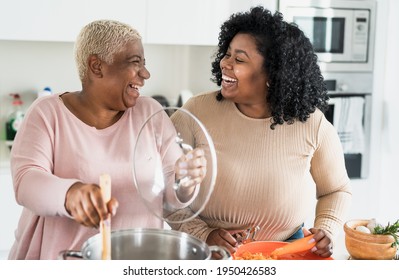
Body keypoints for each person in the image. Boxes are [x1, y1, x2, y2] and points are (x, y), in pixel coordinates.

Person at [8, 19, 206, 260]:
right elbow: (27, 182)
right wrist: (71, 193)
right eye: (135, 63)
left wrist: (184, 179)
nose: (145, 74)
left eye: (144, 64)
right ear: (97, 66)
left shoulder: (150, 112)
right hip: (60, 261)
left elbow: (172, 197)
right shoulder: (47, 113)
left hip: (135, 262)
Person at [169, 6, 351, 258]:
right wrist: (203, 233)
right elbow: (164, 187)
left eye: (239, 59)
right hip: (208, 252)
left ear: (272, 75)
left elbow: (336, 190)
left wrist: (327, 229)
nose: (225, 63)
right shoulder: (197, 112)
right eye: (227, 54)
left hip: (288, 251)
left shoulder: (312, 124)